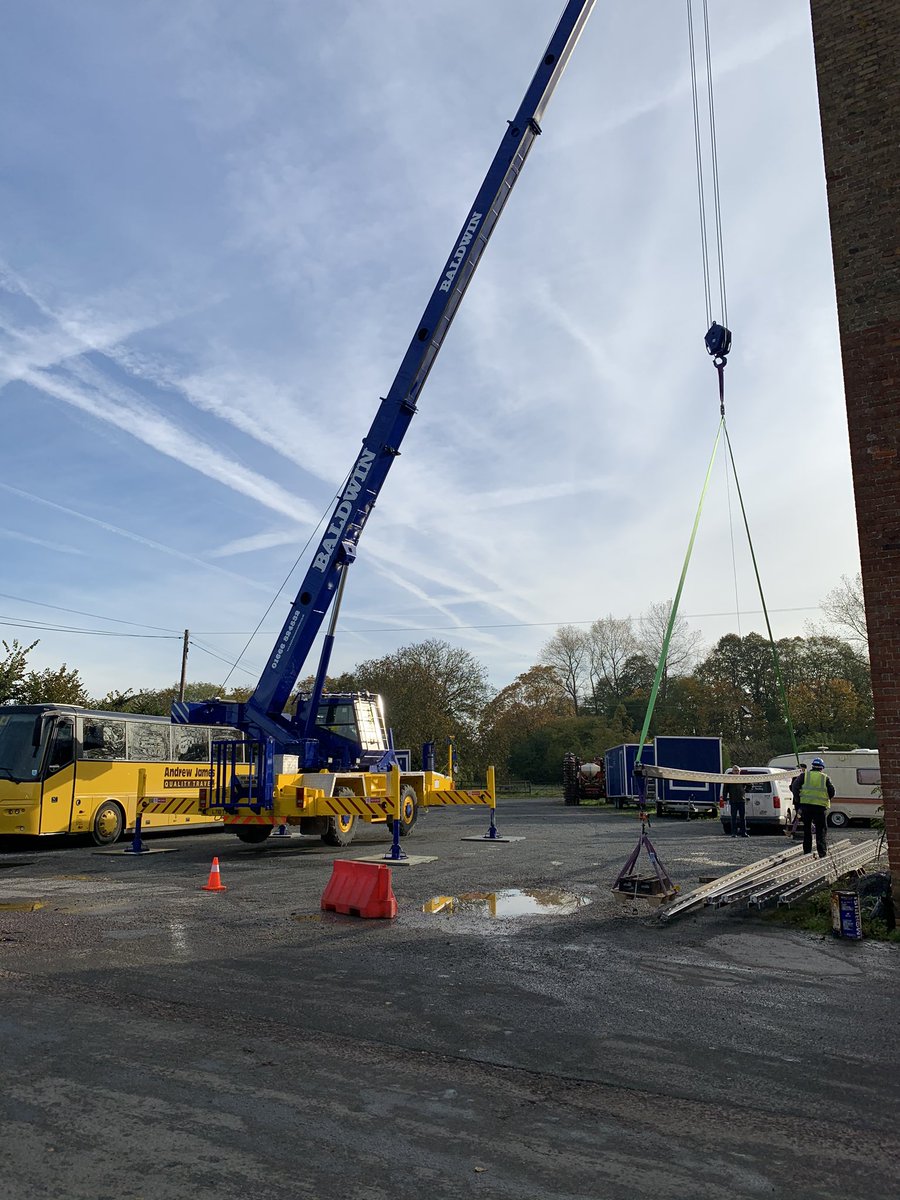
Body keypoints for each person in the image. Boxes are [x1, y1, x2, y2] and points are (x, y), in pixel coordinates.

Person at [792, 756, 835, 858]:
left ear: (812, 766)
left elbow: (794, 786)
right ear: (822, 768)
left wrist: (798, 800)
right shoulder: (825, 778)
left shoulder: (804, 776)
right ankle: (822, 852)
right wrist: (827, 798)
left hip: (806, 806)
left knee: (807, 830)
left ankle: (807, 852)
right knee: (821, 830)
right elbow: (832, 791)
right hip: (820, 807)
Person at [722, 765, 749, 838]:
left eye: (738, 771)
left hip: (741, 800)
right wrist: (724, 799)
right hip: (733, 801)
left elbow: (750, 784)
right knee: (733, 817)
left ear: (740, 771)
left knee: (742, 817)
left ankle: (743, 832)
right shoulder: (729, 780)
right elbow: (725, 790)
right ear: (732, 771)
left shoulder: (742, 779)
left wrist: (745, 790)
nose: (736, 772)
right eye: (735, 770)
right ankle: (734, 833)